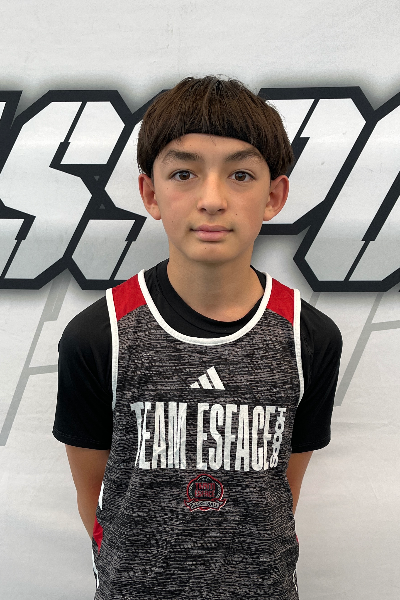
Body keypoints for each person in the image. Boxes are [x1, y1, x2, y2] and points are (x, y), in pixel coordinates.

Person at [53, 76, 342, 600]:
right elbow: (95, 500)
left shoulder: (310, 338)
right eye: (184, 173)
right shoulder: (97, 335)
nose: (212, 200)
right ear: (151, 193)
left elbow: (282, 493)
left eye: (240, 174)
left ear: (274, 196)